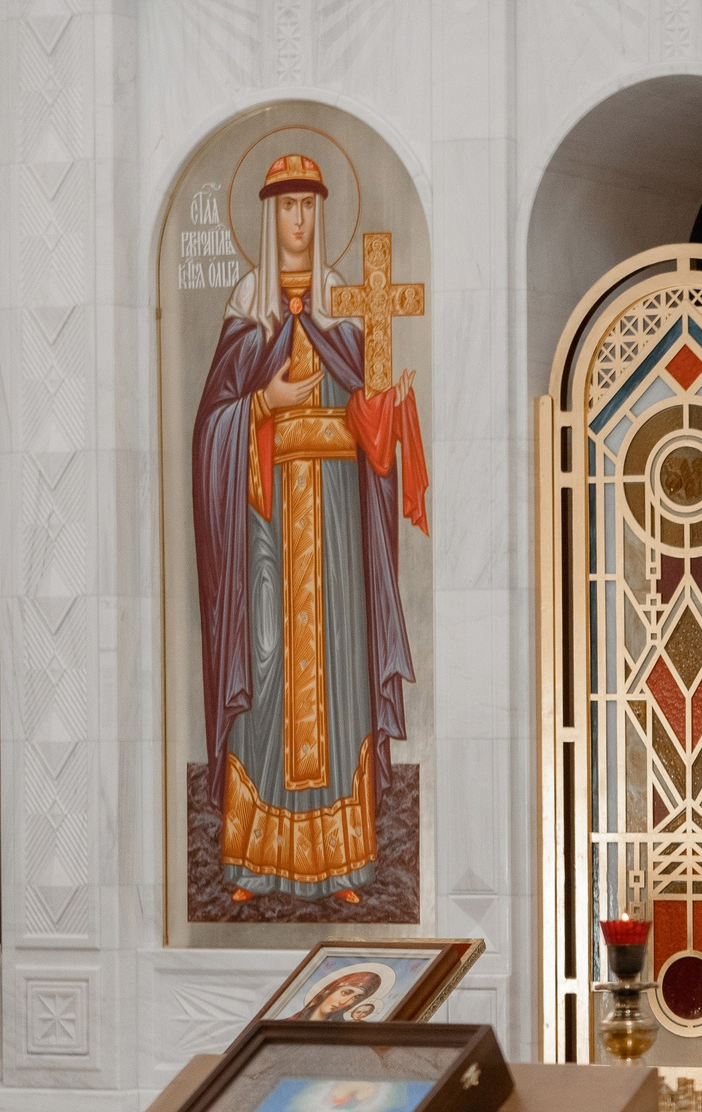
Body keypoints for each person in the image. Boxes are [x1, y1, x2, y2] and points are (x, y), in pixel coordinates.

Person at [192, 152, 425, 908]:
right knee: (266, 671)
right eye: (286, 205)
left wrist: (383, 416)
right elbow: (211, 434)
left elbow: (371, 429)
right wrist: (261, 403)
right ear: (268, 215)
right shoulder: (246, 315)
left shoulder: (344, 312)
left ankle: (345, 861)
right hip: (265, 522)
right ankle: (254, 859)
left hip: (336, 525)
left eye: (308, 205)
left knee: (339, 673)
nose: (298, 219)